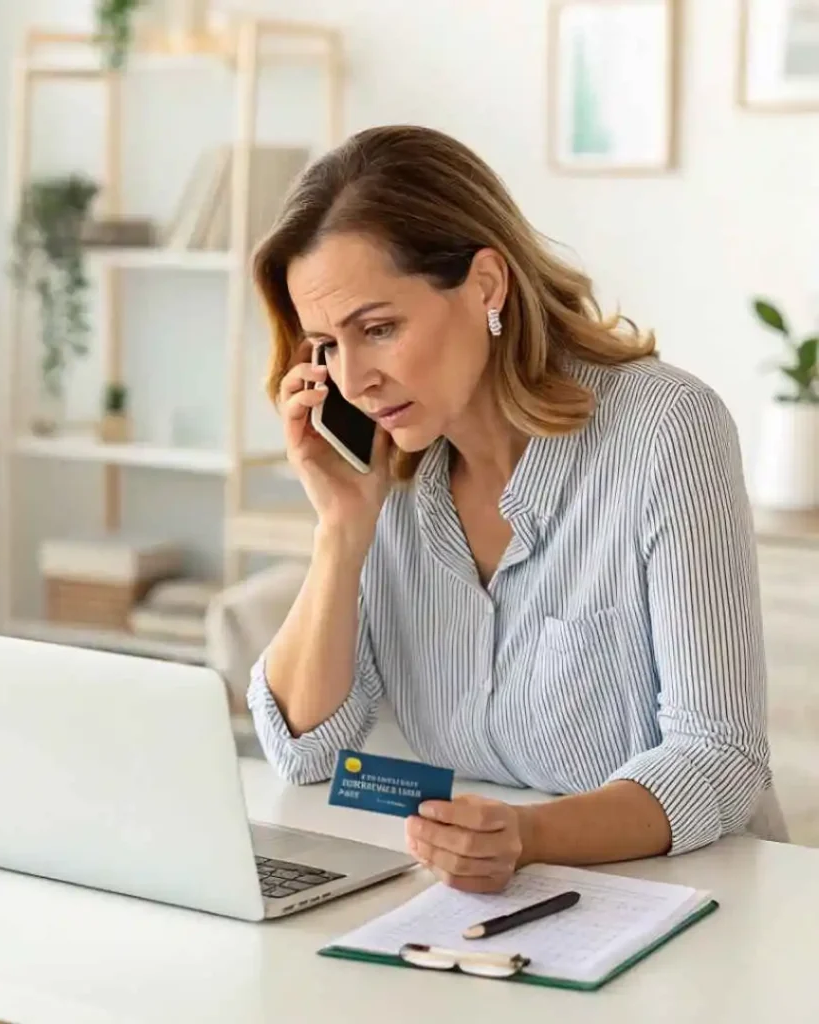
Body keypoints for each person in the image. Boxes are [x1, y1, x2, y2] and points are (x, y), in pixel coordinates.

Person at [245, 124, 774, 894]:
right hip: (473, 906)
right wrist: (340, 530)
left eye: (379, 329)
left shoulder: (667, 431)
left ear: (486, 286)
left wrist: (525, 837)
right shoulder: (386, 472)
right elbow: (304, 753)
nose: (353, 379)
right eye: (325, 345)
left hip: (695, 898)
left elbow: (721, 758)